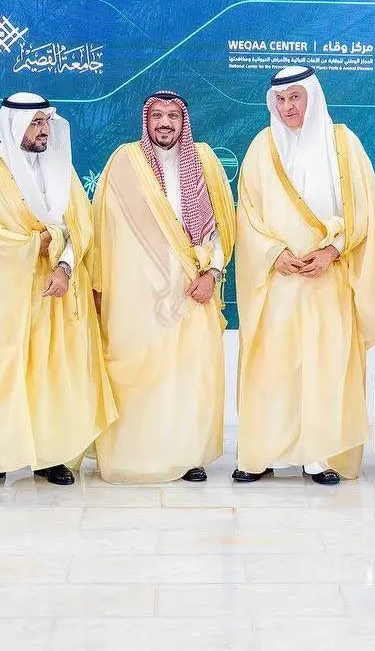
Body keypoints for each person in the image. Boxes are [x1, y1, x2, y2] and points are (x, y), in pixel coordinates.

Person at [232, 66, 375, 485]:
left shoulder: (344, 144)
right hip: (278, 281)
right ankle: (263, 454)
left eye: (295, 98)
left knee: (323, 367)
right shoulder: (261, 147)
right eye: (280, 100)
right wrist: (273, 253)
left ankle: (318, 457)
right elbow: (246, 213)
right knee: (273, 368)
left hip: (327, 278)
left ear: (312, 98)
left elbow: (365, 210)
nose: (287, 108)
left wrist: (333, 250)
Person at [0, 93, 116, 489]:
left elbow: (82, 225)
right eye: (34, 123)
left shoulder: (61, 167)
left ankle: (51, 457)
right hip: (4, 294)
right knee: (2, 371)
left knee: (53, 373)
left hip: (56, 292)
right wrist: (32, 246)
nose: (43, 130)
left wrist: (63, 264)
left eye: (46, 122)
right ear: (14, 126)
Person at [90, 91, 236, 484]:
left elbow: (222, 227)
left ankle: (188, 456)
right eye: (157, 115)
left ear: (183, 121)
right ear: (146, 120)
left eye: (173, 115)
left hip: (193, 291)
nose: (165, 123)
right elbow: (103, 230)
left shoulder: (203, 161)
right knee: (139, 373)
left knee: (189, 375)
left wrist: (213, 274)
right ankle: (136, 457)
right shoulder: (124, 161)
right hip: (135, 299)